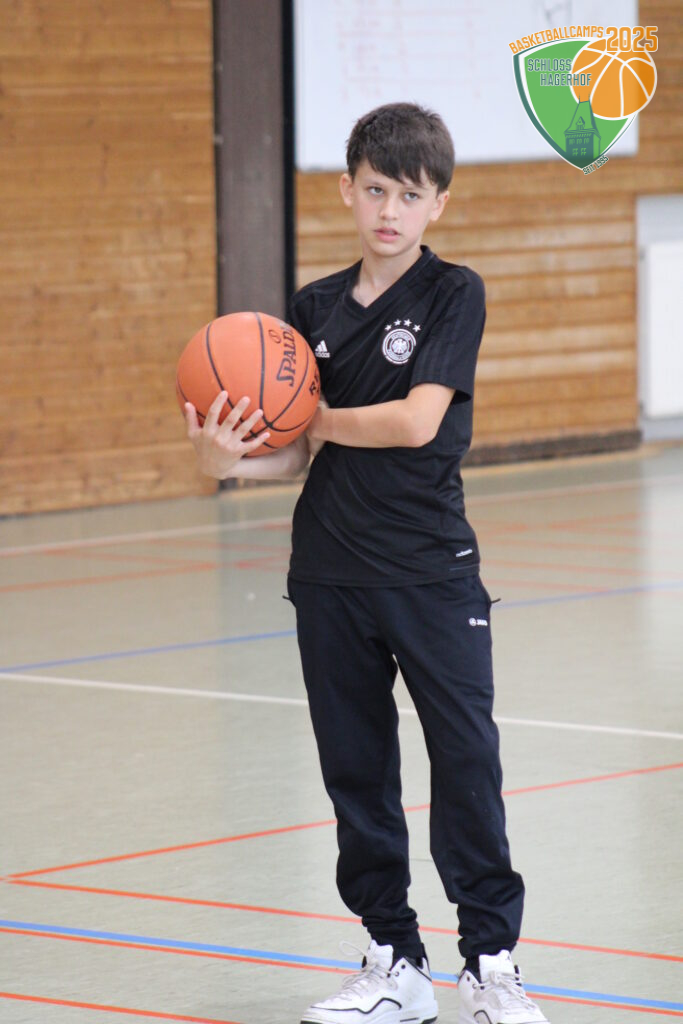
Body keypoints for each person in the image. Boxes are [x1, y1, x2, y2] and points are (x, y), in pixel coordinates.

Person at [184, 103, 549, 1024]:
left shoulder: (452, 293)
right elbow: (288, 455)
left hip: (430, 571)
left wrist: (309, 420)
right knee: (356, 771)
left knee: (465, 759)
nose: (390, 210)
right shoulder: (307, 311)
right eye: (376, 190)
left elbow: (416, 421)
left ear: (438, 205)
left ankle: (491, 963)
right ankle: (394, 961)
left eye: (410, 195)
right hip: (330, 574)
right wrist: (223, 460)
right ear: (347, 191)